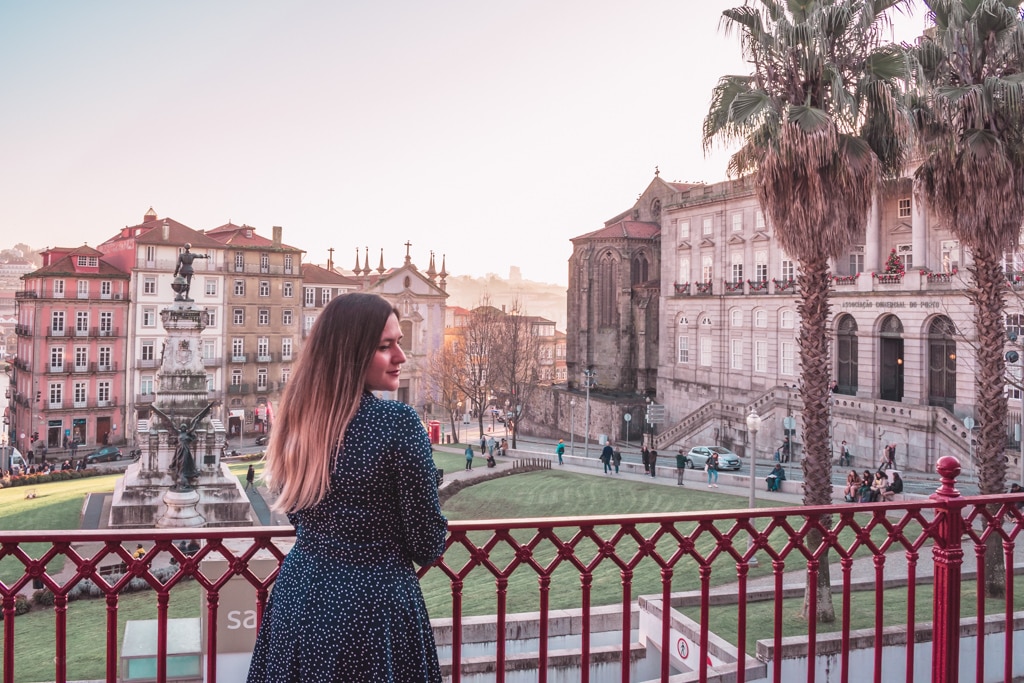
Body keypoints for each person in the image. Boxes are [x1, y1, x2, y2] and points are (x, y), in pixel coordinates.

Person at [248, 293, 447, 683]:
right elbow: (427, 544)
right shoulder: (397, 422)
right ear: (351, 352)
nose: (400, 357)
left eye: (400, 343)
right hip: (373, 610)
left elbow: (297, 513)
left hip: (300, 599)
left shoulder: (297, 421)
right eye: (384, 346)